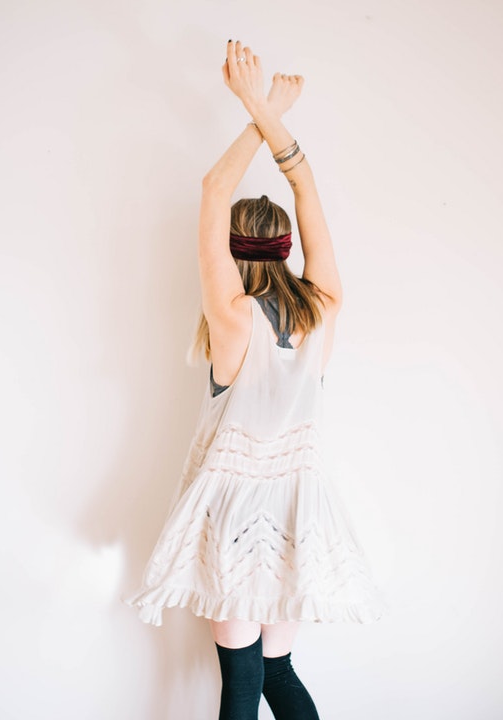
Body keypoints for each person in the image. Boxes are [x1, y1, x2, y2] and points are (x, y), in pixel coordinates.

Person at [126, 40, 384, 720]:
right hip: (299, 514)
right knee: (279, 673)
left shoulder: (231, 316)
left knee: (241, 685)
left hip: (237, 519)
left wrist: (255, 105)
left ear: (233, 253)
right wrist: (271, 114)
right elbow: (307, 188)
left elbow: (213, 188)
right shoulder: (322, 306)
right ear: (287, 246)